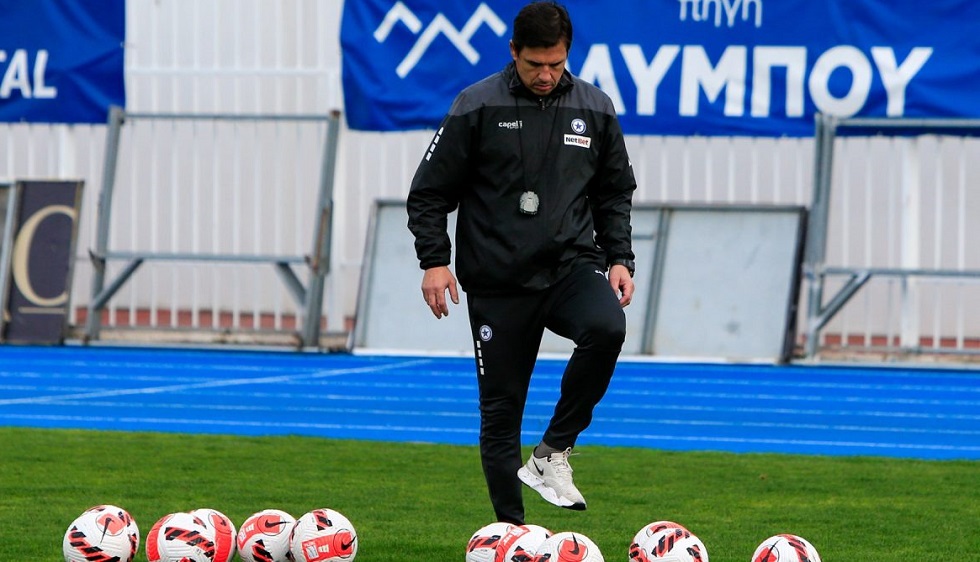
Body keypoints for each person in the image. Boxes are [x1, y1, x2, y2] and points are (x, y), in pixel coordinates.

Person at [406, 1, 636, 525]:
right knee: (501, 412)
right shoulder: (476, 104)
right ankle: (512, 534)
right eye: (535, 64)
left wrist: (620, 257)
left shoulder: (595, 107)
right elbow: (428, 193)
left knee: (607, 328)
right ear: (514, 52)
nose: (546, 74)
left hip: (570, 266)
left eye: (556, 64)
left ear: (567, 54)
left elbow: (614, 193)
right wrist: (435, 261)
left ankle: (553, 450)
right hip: (498, 280)